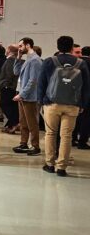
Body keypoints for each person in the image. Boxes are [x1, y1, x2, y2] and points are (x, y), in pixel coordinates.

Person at [37, 35, 90, 176]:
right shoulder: (80, 63)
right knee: (67, 136)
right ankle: (61, 167)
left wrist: (41, 101)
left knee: (50, 133)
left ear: (57, 47)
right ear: (72, 47)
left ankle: (50, 164)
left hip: (52, 103)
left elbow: (41, 83)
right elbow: (86, 86)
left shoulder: (49, 61)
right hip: (72, 104)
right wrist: (83, 104)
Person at [12, 37, 42, 155]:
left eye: (21, 46)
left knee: (32, 122)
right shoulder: (28, 59)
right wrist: (18, 57)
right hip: (23, 95)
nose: (19, 48)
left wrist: (22, 94)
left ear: (27, 45)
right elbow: (16, 72)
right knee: (23, 121)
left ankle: (35, 146)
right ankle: (23, 143)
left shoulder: (35, 60)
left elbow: (33, 80)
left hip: (29, 97)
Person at [0, 45, 20, 133]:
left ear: (10, 51)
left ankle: (15, 122)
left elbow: (9, 74)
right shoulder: (13, 60)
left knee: (4, 104)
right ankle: (11, 124)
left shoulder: (11, 60)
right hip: (10, 86)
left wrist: (5, 85)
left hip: (8, 87)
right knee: (12, 106)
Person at [74, 46, 90, 149]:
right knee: (86, 118)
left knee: (75, 117)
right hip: (87, 94)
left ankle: (73, 138)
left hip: (75, 94)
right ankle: (82, 141)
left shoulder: (77, 63)